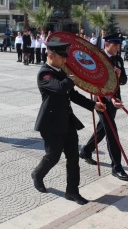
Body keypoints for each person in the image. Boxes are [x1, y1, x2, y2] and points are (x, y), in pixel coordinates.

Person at [31, 42, 106, 205]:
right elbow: (59, 88)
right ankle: (37, 174)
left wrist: (93, 105)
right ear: (51, 56)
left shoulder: (62, 72)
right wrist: (71, 79)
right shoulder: (44, 73)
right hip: (51, 124)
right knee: (53, 157)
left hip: (68, 122)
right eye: (62, 57)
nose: (65, 61)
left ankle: (72, 191)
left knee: (73, 158)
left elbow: (73, 95)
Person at [80, 33, 128, 181]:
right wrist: (110, 98)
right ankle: (117, 167)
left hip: (115, 100)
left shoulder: (118, 59)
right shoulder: (98, 59)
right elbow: (96, 82)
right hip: (102, 101)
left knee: (103, 128)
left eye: (118, 45)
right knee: (112, 133)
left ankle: (85, 150)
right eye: (114, 45)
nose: (117, 48)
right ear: (106, 44)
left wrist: (119, 76)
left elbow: (124, 80)